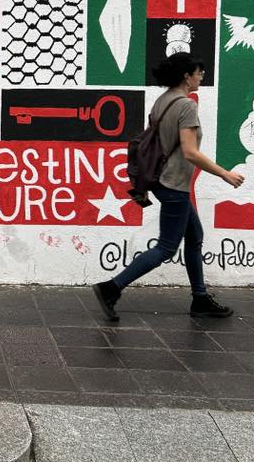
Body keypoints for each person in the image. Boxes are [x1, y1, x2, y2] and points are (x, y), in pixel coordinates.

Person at [92, 52, 245, 321]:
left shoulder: (163, 101)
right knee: (166, 247)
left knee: (194, 237)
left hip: (165, 181)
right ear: (187, 76)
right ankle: (111, 288)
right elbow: (189, 152)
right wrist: (224, 174)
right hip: (174, 184)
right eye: (199, 72)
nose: (201, 76)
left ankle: (200, 299)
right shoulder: (186, 105)